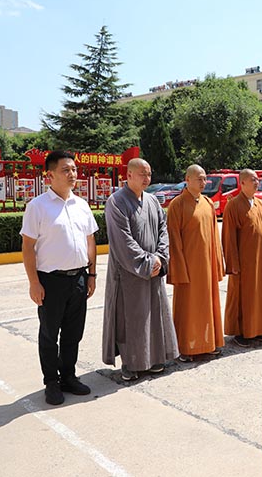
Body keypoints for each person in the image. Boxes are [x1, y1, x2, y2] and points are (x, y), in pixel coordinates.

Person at [20, 150, 98, 406]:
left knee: (73, 334)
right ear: (49, 175)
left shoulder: (82, 205)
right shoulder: (38, 206)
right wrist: (34, 282)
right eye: (66, 170)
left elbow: (90, 241)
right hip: (50, 281)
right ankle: (51, 382)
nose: (72, 174)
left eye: (74, 169)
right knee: (49, 334)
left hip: (78, 278)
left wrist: (92, 274)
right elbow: (28, 247)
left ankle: (69, 377)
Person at [102, 158, 179, 381]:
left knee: (155, 315)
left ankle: (155, 359)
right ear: (129, 176)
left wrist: (160, 258)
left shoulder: (153, 201)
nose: (147, 179)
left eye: (149, 174)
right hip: (128, 274)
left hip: (153, 270)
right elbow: (122, 241)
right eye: (142, 174)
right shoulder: (116, 202)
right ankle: (131, 363)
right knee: (132, 319)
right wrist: (146, 263)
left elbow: (163, 231)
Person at [167, 164, 225, 362]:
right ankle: (185, 348)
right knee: (189, 309)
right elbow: (173, 240)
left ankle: (207, 344)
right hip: (188, 268)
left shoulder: (208, 203)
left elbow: (214, 239)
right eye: (199, 178)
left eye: (204, 178)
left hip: (206, 267)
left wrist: (217, 263)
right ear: (187, 179)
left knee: (207, 307)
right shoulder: (177, 205)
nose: (203, 182)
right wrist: (178, 269)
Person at [222, 169, 262, 347]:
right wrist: (233, 263)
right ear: (242, 183)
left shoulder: (260, 204)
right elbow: (228, 237)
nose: (257, 182)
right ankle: (242, 332)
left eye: (258, 179)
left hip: (260, 260)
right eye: (253, 180)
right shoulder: (233, 205)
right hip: (244, 262)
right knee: (244, 296)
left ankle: (259, 329)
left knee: (260, 294)